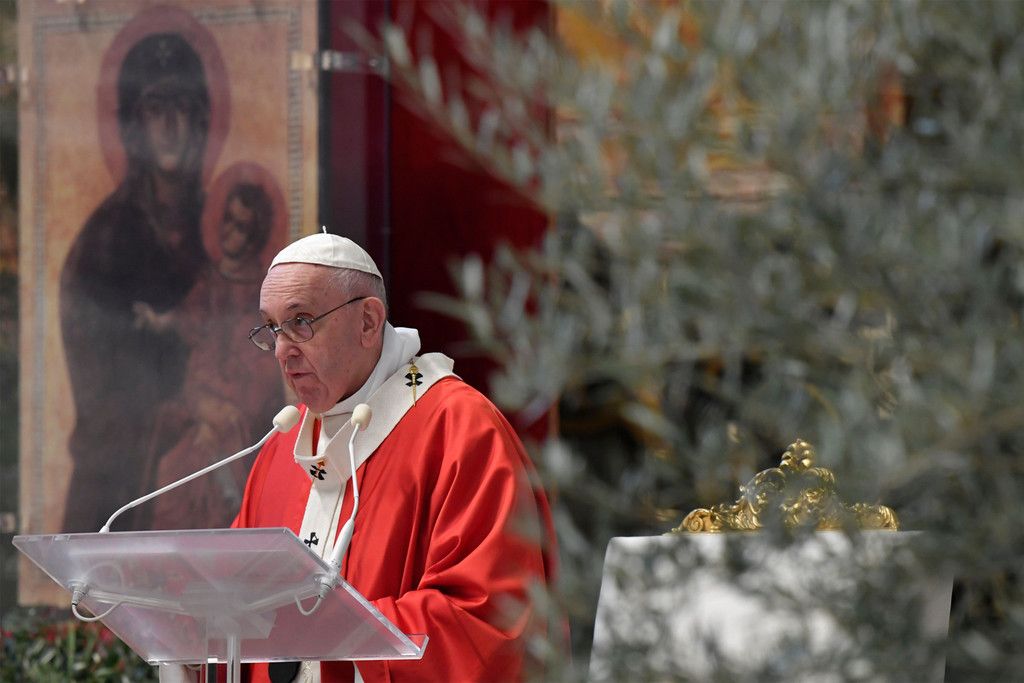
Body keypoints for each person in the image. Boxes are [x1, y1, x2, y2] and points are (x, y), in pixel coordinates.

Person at [232, 233, 559, 683]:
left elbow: (487, 617)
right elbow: (234, 599)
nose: (283, 349)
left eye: (301, 322)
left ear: (368, 322)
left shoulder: (458, 427)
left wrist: (332, 630)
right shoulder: (280, 449)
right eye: (271, 329)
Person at [60, 32, 211, 532]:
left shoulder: (225, 227)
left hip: (207, 469)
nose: (169, 125)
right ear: (133, 126)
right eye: (154, 108)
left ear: (201, 121)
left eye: (182, 107)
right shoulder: (104, 243)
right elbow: (100, 390)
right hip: (122, 485)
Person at [132, 182, 283, 529]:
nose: (229, 232)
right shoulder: (211, 279)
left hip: (236, 403)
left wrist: (222, 410)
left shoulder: (262, 291)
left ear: (254, 237)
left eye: (241, 226)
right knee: (173, 468)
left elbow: (261, 364)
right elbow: (190, 317)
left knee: (198, 468)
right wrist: (158, 321)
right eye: (227, 220)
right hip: (201, 392)